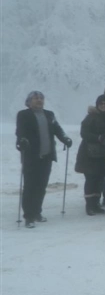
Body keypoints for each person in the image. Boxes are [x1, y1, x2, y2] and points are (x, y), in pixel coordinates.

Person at [15, 91, 72, 228]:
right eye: (35, 98)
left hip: (46, 156)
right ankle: (28, 216)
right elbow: (20, 131)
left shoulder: (49, 114)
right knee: (30, 186)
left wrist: (65, 139)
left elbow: (58, 129)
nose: (39, 100)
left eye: (41, 98)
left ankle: (37, 212)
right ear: (29, 102)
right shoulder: (24, 114)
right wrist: (22, 141)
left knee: (41, 186)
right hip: (31, 156)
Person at [75, 95, 105, 215]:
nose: (103, 106)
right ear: (97, 105)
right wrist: (98, 138)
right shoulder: (91, 117)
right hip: (89, 154)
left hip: (102, 154)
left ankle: (96, 203)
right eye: (101, 104)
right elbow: (84, 133)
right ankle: (89, 205)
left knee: (99, 179)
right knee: (91, 179)